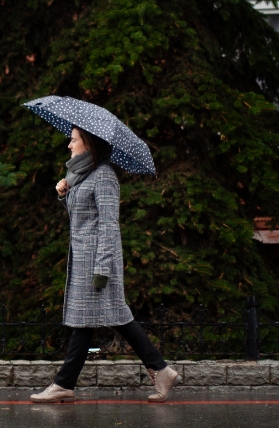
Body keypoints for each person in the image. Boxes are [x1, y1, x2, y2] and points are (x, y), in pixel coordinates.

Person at [30, 127, 180, 403]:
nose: (69, 145)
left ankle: (64, 384)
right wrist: (64, 194)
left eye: (73, 140)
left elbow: (109, 227)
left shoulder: (104, 176)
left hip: (97, 263)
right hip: (84, 260)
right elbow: (83, 218)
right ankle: (161, 370)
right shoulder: (81, 175)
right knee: (112, 319)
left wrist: (102, 268)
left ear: (88, 144)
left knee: (90, 322)